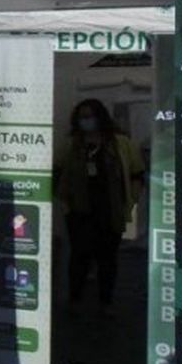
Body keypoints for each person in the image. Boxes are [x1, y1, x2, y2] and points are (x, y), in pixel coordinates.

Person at [56, 98, 145, 314]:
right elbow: (58, 173)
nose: (87, 121)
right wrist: (64, 202)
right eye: (82, 117)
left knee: (108, 258)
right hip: (79, 211)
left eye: (90, 116)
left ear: (100, 117)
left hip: (110, 209)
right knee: (79, 256)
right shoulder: (70, 144)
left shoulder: (121, 143)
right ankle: (75, 300)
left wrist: (131, 200)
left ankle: (106, 302)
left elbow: (137, 174)